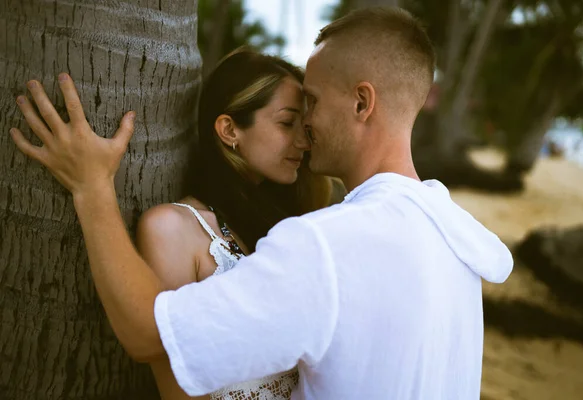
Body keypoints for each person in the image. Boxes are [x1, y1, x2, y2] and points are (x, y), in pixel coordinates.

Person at [10, 6, 513, 400]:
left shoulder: (330, 245)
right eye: (290, 116)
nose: (306, 127)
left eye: (311, 102)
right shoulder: (452, 239)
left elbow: (147, 335)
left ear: (362, 103)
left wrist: (93, 187)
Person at [134, 50, 332, 399]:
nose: (303, 141)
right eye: (287, 123)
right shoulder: (174, 228)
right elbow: (175, 384)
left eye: (305, 127)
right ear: (229, 130)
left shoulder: (293, 225)